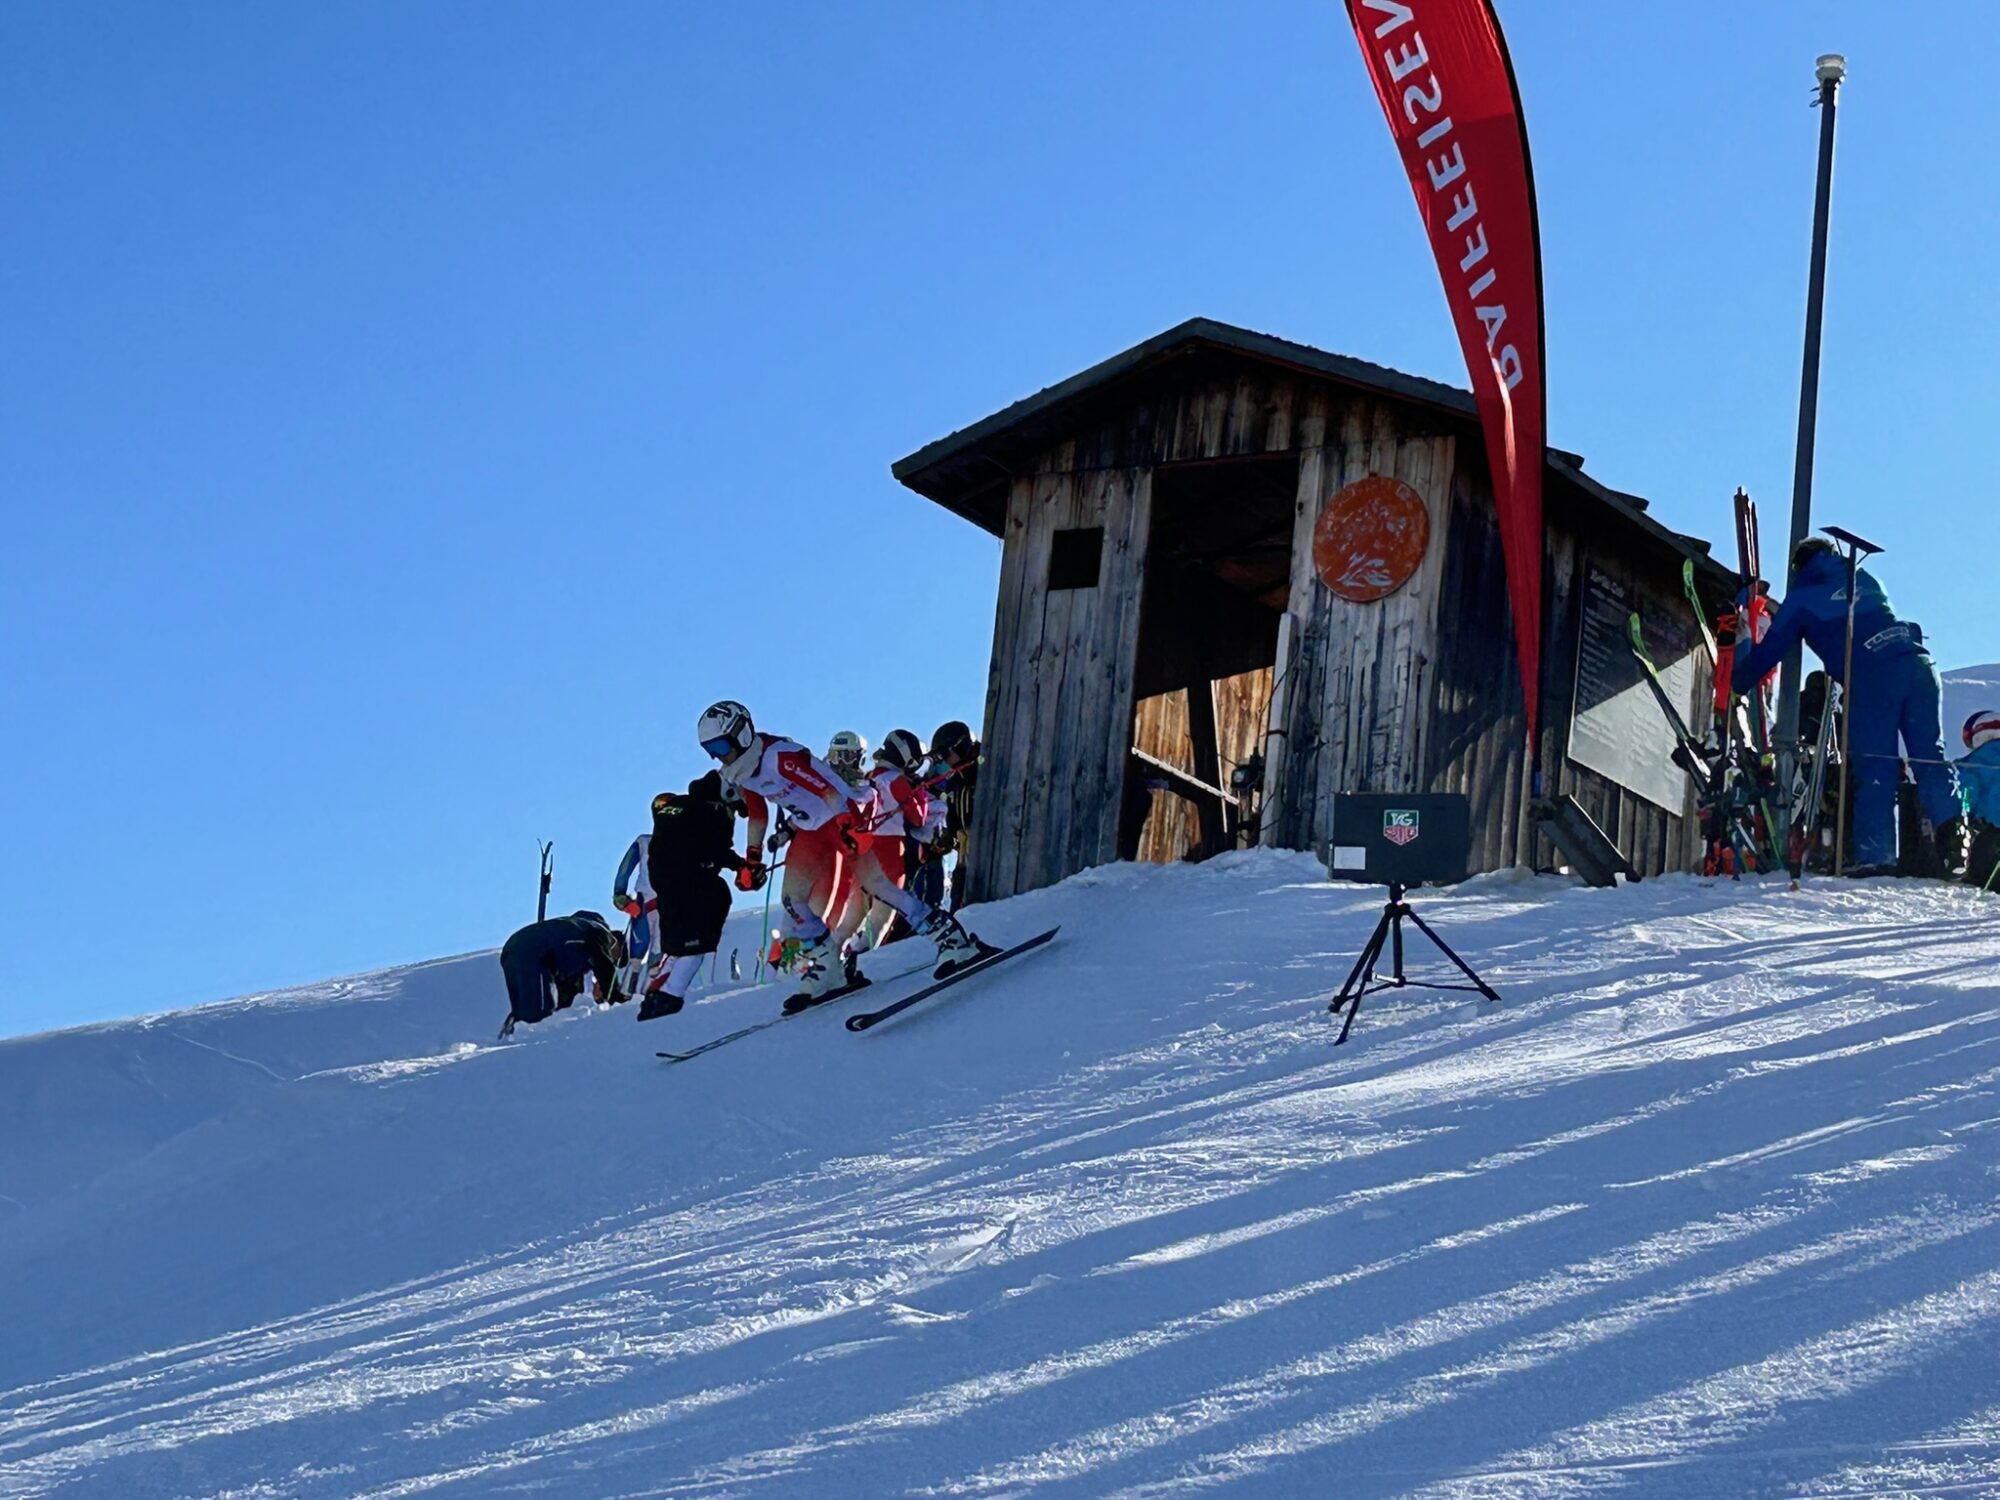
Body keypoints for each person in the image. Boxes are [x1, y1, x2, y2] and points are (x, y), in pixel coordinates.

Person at [696, 700, 992, 1010]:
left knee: (880, 888)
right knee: (792, 901)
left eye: (721, 746)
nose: (719, 756)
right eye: (711, 750)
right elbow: (757, 811)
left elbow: (827, 786)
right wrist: (752, 856)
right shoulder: (743, 772)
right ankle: (828, 967)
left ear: (741, 734)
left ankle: (952, 940)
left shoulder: (780, 756)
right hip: (812, 828)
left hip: (842, 818)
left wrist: (848, 823)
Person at [1732, 538, 1964, 876]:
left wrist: (1738, 670)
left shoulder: (1801, 599)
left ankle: (1876, 855)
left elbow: (1769, 653)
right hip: (1918, 663)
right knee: (1929, 757)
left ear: (1799, 568)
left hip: (1872, 675)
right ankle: (1954, 840)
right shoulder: (1866, 579)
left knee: (1876, 767)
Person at [826, 729, 943, 982]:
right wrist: (919, 792)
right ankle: (860, 965)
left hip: (865, 851)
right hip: (890, 851)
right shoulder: (896, 780)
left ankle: (826, 966)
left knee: (853, 915)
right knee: (882, 915)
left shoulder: (869, 779)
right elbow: (918, 817)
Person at [637, 770, 745, 1021]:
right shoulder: (712, 810)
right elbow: (714, 848)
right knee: (700, 934)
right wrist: (741, 865)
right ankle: (671, 995)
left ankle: (656, 992)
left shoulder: (679, 805)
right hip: (690, 880)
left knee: (679, 941)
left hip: (664, 882)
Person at [497, 911, 625, 1035]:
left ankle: (508, 1037)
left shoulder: (574, 939)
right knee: (539, 1013)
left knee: (523, 1009)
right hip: (534, 952)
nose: (613, 961)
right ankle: (526, 1045)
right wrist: (615, 1000)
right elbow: (603, 965)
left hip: (513, 950)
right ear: (616, 943)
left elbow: (569, 991)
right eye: (616, 959)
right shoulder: (599, 932)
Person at [928, 719, 981, 910]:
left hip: (986, 855)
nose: (944, 762)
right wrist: (947, 838)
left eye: (945, 754)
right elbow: (954, 819)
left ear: (960, 746)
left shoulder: (983, 770)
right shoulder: (955, 782)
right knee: (959, 909)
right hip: (964, 862)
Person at [610, 830, 658, 995]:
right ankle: (626, 995)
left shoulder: (683, 841)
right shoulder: (644, 842)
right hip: (645, 905)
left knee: (658, 954)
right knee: (638, 952)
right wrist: (621, 897)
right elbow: (624, 870)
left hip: (669, 906)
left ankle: (650, 995)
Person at [1961, 710, 2000, 886]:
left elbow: (1968, 795)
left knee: (1981, 873)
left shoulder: (1972, 763)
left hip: (1992, 831)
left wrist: (1966, 814)